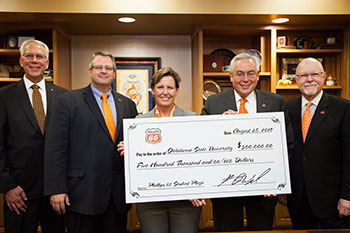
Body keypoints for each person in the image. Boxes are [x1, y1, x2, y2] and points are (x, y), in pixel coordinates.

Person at [44, 51, 138, 233]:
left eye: (108, 68)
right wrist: (57, 189)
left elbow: (134, 144)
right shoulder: (68, 102)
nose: (103, 71)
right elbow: (56, 148)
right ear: (90, 70)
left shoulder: (127, 104)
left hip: (116, 196)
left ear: (114, 72)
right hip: (81, 194)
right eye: (98, 67)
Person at [201, 52, 294, 231]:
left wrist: (277, 179)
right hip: (225, 191)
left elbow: (287, 144)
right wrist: (218, 125)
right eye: (240, 74)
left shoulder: (276, 103)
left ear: (258, 76)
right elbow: (203, 144)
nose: (246, 79)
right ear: (231, 76)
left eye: (251, 73)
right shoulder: (214, 103)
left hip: (264, 190)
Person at [118, 67, 206, 233]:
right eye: (160, 87)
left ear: (177, 91)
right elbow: (139, 163)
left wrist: (198, 188)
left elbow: (200, 159)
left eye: (170, 87)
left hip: (185, 201)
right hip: (151, 202)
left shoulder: (192, 118)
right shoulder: (139, 122)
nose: (165, 92)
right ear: (152, 90)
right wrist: (130, 150)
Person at [0, 39, 66, 233]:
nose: (34, 60)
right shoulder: (4, 97)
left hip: (55, 191)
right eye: (29, 56)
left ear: (47, 63)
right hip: (20, 192)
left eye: (40, 57)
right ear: (21, 61)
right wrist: (8, 186)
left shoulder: (64, 97)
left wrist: (63, 186)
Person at [284, 57, 350, 229]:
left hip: (333, 200)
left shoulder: (343, 108)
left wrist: (347, 196)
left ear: (324, 76)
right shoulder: (287, 109)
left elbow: (349, 157)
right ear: (296, 79)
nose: (309, 79)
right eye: (303, 75)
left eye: (314, 74)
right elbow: (283, 152)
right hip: (298, 200)